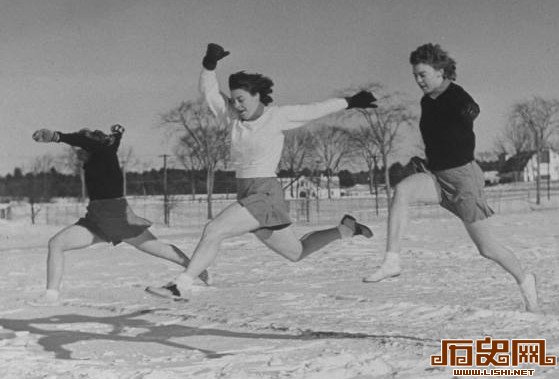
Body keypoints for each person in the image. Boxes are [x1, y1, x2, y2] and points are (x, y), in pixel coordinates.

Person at [146, 43, 376, 299]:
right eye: (233, 100)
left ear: (257, 95)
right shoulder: (233, 118)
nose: (237, 105)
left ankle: (181, 285)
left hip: (265, 194)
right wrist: (209, 66)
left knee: (215, 230)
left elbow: (315, 109)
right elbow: (209, 93)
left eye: (241, 99)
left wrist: (350, 102)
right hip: (246, 192)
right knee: (296, 253)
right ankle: (346, 230)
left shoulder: (277, 116)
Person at [362, 43, 540, 312]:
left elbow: (471, 108)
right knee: (402, 191)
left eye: (422, 74)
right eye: (415, 76)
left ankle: (526, 280)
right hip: (436, 176)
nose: (418, 80)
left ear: (440, 71)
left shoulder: (456, 96)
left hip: (463, 180)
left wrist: (466, 113)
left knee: (488, 248)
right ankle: (392, 260)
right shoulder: (426, 101)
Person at [30, 125, 209, 305]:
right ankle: (50, 296)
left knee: (158, 248)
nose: (77, 152)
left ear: (90, 144)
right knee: (56, 243)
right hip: (96, 218)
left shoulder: (102, 152)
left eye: (80, 147)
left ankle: (196, 268)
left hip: (115, 215)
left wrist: (55, 136)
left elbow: (87, 141)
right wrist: (118, 133)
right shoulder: (104, 152)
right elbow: (110, 142)